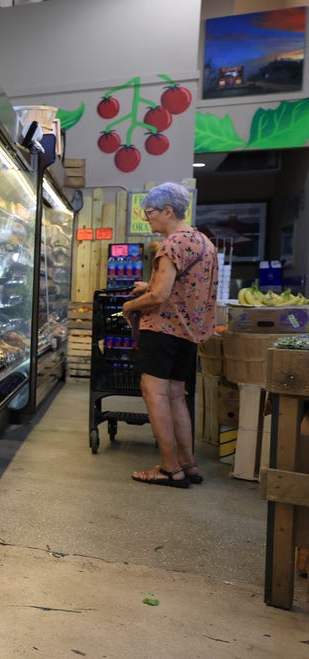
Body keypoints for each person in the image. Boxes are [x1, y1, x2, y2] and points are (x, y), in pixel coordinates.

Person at [121, 183, 218, 488]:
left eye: (149, 213)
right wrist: (146, 287)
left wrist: (131, 304)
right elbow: (183, 288)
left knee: (155, 394)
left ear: (168, 211)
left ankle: (168, 468)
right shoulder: (204, 243)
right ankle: (188, 464)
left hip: (163, 330)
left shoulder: (172, 244)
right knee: (177, 395)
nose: (147, 218)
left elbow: (161, 296)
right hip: (189, 333)